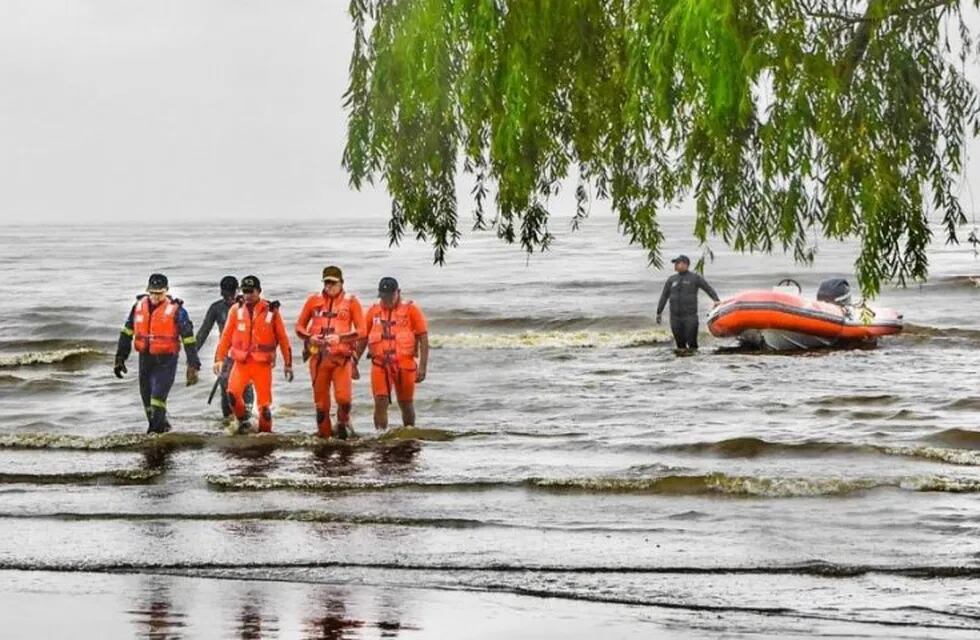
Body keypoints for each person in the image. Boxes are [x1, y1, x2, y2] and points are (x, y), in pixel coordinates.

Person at [114, 273, 202, 433]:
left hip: (166, 361)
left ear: (166, 290)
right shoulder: (138, 307)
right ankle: (162, 429)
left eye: (159, 293)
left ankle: (154, 435)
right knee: (147, 403)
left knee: (158, 399)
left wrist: (193, 365)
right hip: (145, 360)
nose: (155, 296)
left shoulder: (177, 310)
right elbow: (127, 332)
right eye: (152, 292)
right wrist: (120, 357)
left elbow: (188, 339)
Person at [214, 275, 293, 434]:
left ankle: (266, 437)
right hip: (241, 363)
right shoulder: (236, 310)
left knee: (264, 408)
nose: (248, 295)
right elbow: (226, 336)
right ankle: (244, 421)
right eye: (245, 291)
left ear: (259, 291)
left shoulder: (271, 311)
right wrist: (219, 359)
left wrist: (288, 364)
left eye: (251, 291)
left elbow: (283, 338)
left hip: (262, 365)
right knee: (232, 394)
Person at [295, 266, 366, 440]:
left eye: (333, 283)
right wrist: (310, 337)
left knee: (344, 400)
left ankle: (342, 422)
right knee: (321, 406)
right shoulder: (313, 301)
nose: (329, 286)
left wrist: (340, 339)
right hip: (318, 359)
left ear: (342, 283)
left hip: (341, 359)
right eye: (326, 282)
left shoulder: (351, 302)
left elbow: (362, 331)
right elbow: (299, 327)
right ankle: (324, 438)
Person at [360, 277, 429, 431]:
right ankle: (380, 436)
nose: (386, 300)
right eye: (383, 297)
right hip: (380, 364)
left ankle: (409, 433)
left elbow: (423, 337)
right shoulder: (373, 311)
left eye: (390, 296)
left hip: (405, 364)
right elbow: (363, 338)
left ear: (398, 292)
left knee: (406, 403)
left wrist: (423, 367)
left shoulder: (411, 310)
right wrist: (354, 362)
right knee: (380, 400)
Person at [196, 275, 253, 419]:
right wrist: (192, 354)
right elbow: (204, 332)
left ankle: (247, 417)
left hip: (245, 352)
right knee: (225, 387)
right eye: (226, 296)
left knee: (246, 385)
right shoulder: (216, 308)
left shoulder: (247, 306)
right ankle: (227, 420)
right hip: (224, 354)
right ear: (221, 293)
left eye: (232, 295)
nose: (229, 299)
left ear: (238, 291)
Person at [656, 254, 720, 350]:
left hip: (690, 317)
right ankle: (682, 363)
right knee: (680, 344)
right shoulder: (671, 279)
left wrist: (716, 300)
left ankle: (693, 362)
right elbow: (664, 296)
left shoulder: (694, 278)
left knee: (692, 342)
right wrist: (659, 312)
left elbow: (708, 289)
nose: (675, 265)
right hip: (675, 318)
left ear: (686, 264)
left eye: (677, 263)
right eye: (675, 263)